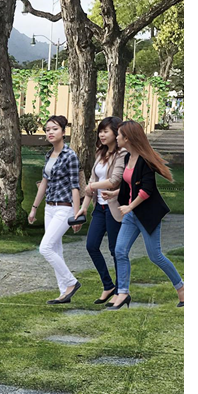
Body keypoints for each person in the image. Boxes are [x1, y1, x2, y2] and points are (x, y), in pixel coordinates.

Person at [107, 119, 182, 310]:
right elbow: (130, 185)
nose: (116, 137)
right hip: (131, 214)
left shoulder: (145, 161)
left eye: (119, 134)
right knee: (120, 251)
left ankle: (181, 288)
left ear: (127, 138)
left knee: (155, 256)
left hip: (147, 214)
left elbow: (146, 190)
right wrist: (115, 194)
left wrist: (129, 207)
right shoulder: (127, 158)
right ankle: (122, 292)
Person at [28, 115, 84, 304]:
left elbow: (75, 187)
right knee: (55, 249)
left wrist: (77, 214)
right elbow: (44, 183)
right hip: (50, 208)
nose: (50, 132)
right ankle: (64, 292)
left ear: (63, 131)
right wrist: (34, 208)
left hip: (65, 209)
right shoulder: (49, 155)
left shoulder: (70, 156)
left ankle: (71, 282)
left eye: (54, 129)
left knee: (45, 248)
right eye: (47, 130)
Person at [82, 117, 126, 305]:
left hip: (114, 207)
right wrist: (84, 208)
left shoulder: (122, 154)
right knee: (91, 245)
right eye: (100, 131)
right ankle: (108, 285)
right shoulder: (100, 153)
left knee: (115, 250)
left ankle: (121, 289)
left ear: (116, 133)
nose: (101, 134)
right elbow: (92, 181)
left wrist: (92, 186)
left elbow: (114, 181)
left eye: (105, 131)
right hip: (99, 208)